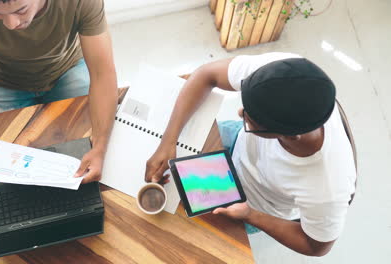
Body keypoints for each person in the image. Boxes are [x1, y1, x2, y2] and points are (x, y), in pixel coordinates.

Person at [0, 0, 118, 224]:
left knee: (91, 163)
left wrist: (101, 146)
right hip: (3, 82)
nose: (11, 24)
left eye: (21, 10)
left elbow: (103, 73)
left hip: (67, 69)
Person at [145, 52, 356, 256]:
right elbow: (206, 74)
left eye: (250, 119)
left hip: (252, 204)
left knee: (181, 236)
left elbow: (316, 247)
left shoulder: (327, 188)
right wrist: (168, 141)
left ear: (290, 136)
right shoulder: (280, 73)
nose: (239, 113)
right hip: (236, 143)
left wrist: (251, 215)